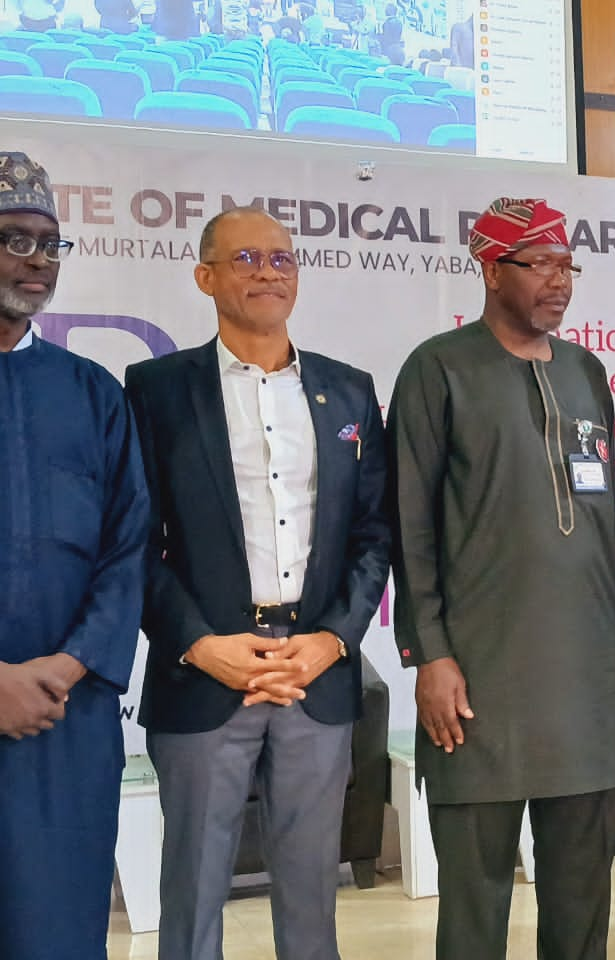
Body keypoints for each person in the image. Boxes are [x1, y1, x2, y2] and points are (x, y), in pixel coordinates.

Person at [125, 207, 391, 960]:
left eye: (282, 257)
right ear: (206, 276)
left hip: (316, 674)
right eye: (245, 257)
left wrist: (333, 641)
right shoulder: (156, 389)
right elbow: (135, 544)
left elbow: (374, 536)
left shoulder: (347, 391)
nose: (268, 270)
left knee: (312, 893)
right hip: (206, 672)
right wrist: (199, 645)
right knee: (193, 891)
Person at [388, 197, 615, 960]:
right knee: (475, 901)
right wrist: (430, 654)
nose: (559, 282)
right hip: (478, 679)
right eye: (541, 265)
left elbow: (607, 518)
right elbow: (409, 525)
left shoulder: (587, 371)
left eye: (568, 264)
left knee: (582, 895)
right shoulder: (439, 368)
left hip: (585, 673)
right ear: (491, 270)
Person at [0, 151, 150, 960]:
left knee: (57, 932)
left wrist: (65, 667)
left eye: (50, 244)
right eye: (14, 239)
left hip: (65, 718)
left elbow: (127, 549)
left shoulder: (92, 392)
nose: (36, 262)